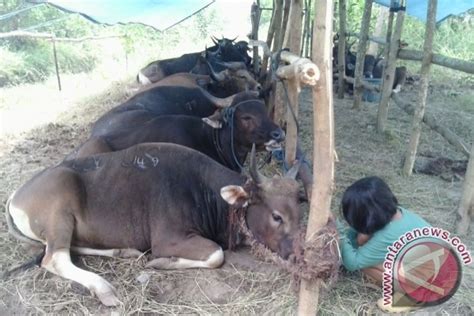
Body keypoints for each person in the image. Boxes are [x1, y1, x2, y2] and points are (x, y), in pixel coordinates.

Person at [337, 176, 432, 313]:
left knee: (365, 264)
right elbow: (360, 235)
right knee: (363, 243)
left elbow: (352, 263)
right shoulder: (394, 213)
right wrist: (353, 239)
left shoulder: (388, 234)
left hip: (432, 282)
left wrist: (339, 233)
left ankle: (416, 297)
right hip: (435, 267)